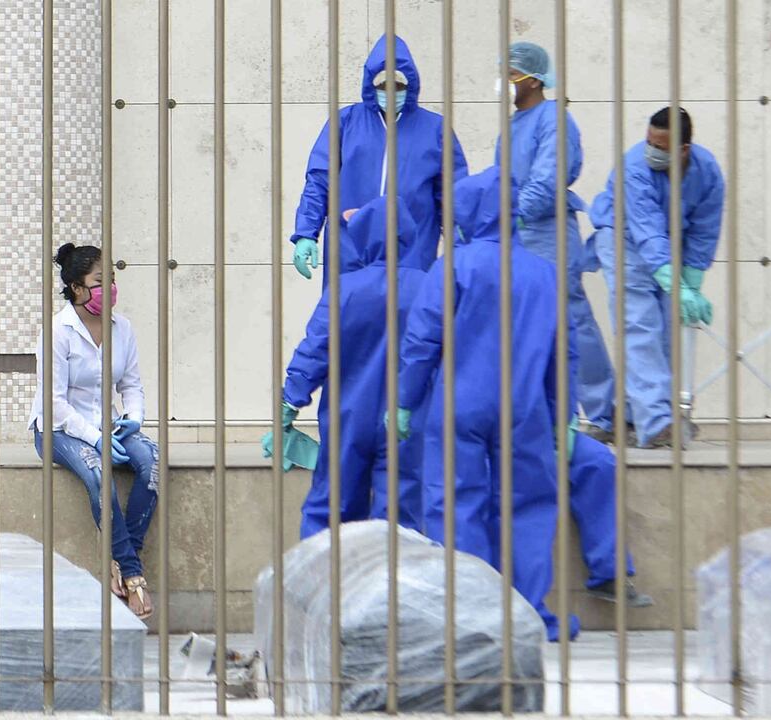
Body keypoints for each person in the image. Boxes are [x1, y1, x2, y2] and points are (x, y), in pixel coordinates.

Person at [392, 167, 650, 643]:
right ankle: (527, 615)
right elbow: (564, 350)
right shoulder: (542, 273)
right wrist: (563, 414)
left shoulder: (454, 266)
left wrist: (404, 401)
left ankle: (467, 617)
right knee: (528, 508)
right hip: (524, 407)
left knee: (455, 504)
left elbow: (422, 340)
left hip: (459, 404)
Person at [267, 196, 426, 538]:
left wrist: (290, 401)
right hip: (405, 420)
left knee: (329, 512)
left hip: (348, 417)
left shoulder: (346, 289)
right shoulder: (428, 288)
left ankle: (324, 587)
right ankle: (393, 589)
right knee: (399, 524)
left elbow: (316, 348)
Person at [492, 41, 615, 443]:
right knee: (522, 323)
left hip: (547, 230)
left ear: (534, 79)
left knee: (570, 318)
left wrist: (514, 212)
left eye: (511, 74)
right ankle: (541, 414)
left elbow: (547, 179)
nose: (506, 81)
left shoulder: (555, 120)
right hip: (516, 231)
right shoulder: (511, 126)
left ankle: (604, 413)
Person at [30, 243, 159, 619]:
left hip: (110, 425)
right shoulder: (58, 331)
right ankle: (134, 577)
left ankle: (123, 559)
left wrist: (133, 417)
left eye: (113, 280)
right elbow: (54, 403)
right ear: (77, 288)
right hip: (60, 428)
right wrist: (97, 439)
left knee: (152, 463)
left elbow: (131, 386)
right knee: (99, 473)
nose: (111, 289)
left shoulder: (123, 328)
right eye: (101, 281)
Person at [589, 107, 725, 448]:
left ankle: (632, 415)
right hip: (624, 238)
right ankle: (658, 423)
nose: (650, 149)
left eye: (659, 145)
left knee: (665, 333)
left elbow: (705, 230)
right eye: (648, 140)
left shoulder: (707, 173)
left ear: (683, 149)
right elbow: (646, 231)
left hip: (667, 244)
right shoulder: (635, 167)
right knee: (639, 325)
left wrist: (691, 283)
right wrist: (672, 280)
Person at [289, 34, 468, 282]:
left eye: (399, 84)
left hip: (413, 251)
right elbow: (320, 180)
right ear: (371, 84)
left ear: (411, 84)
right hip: (349, 248)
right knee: (348, 315)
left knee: (407, 316)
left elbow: (453, 192)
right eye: (383, 84)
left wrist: (462, 240)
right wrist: (306, 233)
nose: (391, 91)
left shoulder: (435, 129)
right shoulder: (346, 122)